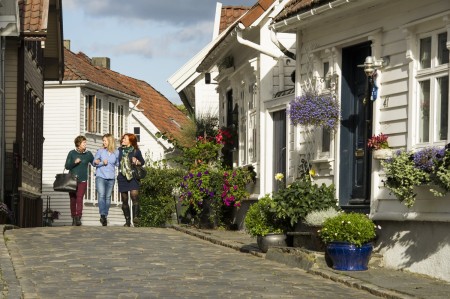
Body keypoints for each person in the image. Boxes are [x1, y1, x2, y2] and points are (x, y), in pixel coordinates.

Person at [65, 135, 94, 226]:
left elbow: (94, 163)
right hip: (72, 180)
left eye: (85, 142)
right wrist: (74, 162)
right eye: (84, 142)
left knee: (79, 198)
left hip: (83, 180)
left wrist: (98, 162)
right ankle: (74, 217)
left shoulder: (88, 154)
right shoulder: (72, 153)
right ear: (78, 144)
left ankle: (78, 218)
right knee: (73, 199)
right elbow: (67, 166)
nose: (86, 144)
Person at [117, 133, 145, 227]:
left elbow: (142, 162)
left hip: (133, 176)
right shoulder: (120, 150)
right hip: (122, 176)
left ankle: (136, 218)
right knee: (124, 199)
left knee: (134, 196)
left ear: (130, 141)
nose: (122, 140)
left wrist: (136, 161)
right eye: (123, 139)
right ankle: (127, 221)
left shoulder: (136, 151)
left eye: (125, 139)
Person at [93, 134, 119, 226]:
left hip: (111, 178)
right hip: (100, 176)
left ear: (110, 141)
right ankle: (102, 215)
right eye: (103, 141)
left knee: (108, 197)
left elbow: (118, 164)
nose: (103, 142)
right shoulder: (100, 151)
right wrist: (100, 163)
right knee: (101, 195)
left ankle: (105, 215)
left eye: (105, 140)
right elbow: (94, 162)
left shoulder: (116, 152)